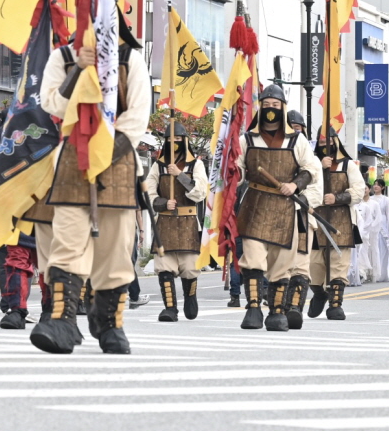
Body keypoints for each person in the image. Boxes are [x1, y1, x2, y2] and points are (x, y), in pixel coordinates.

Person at [31, 22, 150, 353]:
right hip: (72, 159)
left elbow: (137, 116)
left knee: (116, 248)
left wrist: (105, 152)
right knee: (67, 242)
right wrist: (78, 71)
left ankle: (109, 322)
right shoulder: (63, 57)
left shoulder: (130, 59)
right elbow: (52, 103)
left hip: (118, 160)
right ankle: (61, 320)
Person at [231, 84, 323, 332]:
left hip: (285, 208)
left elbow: (311, 169)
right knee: (252, 258)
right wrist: (233, 172)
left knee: (282, 263)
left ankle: (277, 312)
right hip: (255, 206)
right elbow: (238, 170)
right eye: (266, 105)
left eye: (275, 105)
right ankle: (252, 309)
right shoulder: (247, 139)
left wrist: (295, 184)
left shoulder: (297, 140)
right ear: (260, 107)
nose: (270, 109)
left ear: (283, 108)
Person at [145, 133, 210, 321]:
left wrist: (179, 175)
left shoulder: (196, 165)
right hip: (165, 222)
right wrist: (162, 203)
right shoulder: (158, 166)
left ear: (185, 141)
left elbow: (200, 193)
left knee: (189, 268)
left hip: (188, 223)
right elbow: (148, 192)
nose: (174, 143)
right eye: (171, 139)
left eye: (178, 139)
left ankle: (190, 298)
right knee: (164, 267)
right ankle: (170, 309)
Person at [305, 131, 367, 320]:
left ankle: (335, 305)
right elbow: (303, 187)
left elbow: (359, 190)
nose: (325, 144)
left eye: (329, 140)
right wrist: (319, 168)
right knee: (313, 266)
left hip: (342, 222)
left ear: (336, 141)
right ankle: (319, 293)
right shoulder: (310, 164)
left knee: (339, 266)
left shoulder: (348, 165)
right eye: (322, 140)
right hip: (316, 220)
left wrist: (338, 198)